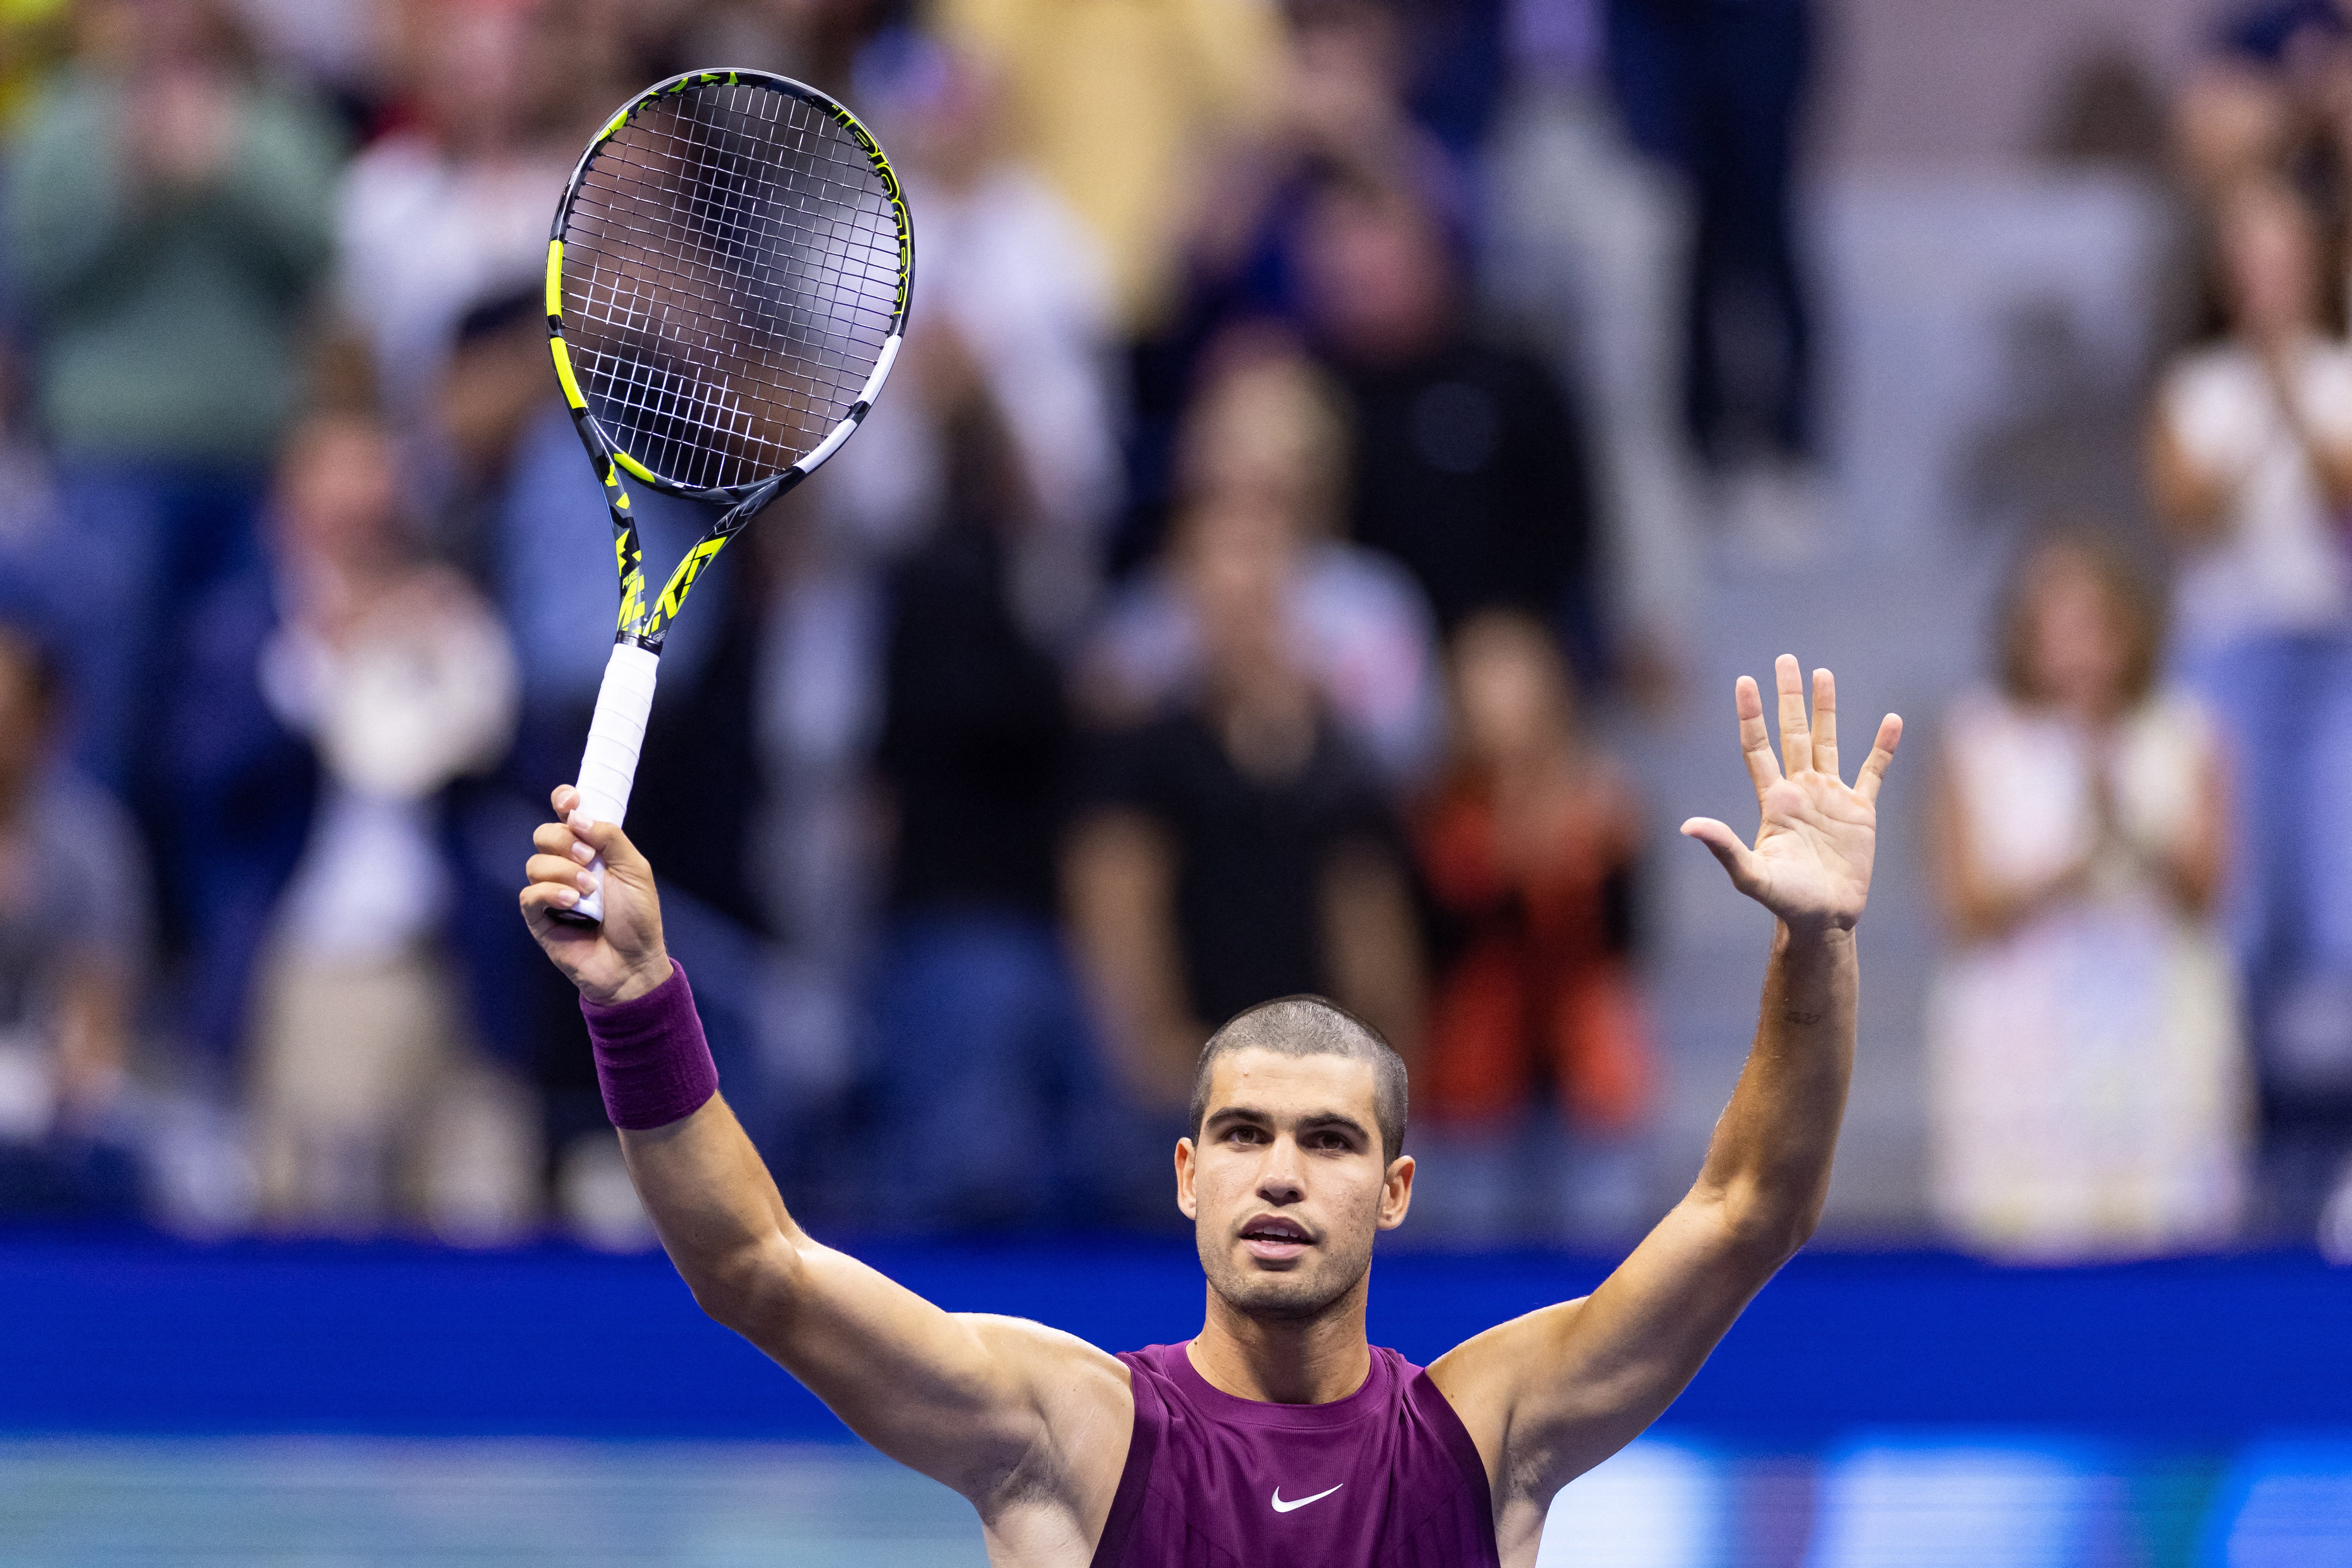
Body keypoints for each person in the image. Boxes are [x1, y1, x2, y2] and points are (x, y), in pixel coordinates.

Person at [518, 654, 1901, 1565]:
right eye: (1243, 1136)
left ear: (1397, 1190)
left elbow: (1746, 1213)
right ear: (1186, 1175)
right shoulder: (1071, 1430)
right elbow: (754, 1268)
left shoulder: (1487, 1432)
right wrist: (637, 995)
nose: (1281, 1175)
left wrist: (1816, 948)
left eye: (1329, 1140)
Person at [1927, 535, 2246, 1258]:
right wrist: (2066, 868)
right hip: (2026, 1021)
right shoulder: (1979, 737)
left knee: (2165, 1234)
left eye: (2093, 626)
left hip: (2152, 1010)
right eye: (2056, 628)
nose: (2077, 651)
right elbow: (1964, 907)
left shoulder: (2183, 730)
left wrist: (2130, 824)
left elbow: (2211, 890)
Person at [2146, 177, 2352, 1234]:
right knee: (2238, 907)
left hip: (2333, 656)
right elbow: (2188, 511)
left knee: (2336, 901)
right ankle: (2234, 1151)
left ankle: (2333, 1156)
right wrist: (2259, 390)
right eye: (2250, 259)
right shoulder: (2194, 388)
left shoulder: (2338, 377)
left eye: (2285, 255)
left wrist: (2290, 388)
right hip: (2225, 658)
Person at [1411, 610, 1653, 1242]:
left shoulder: (1605, 806)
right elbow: (1437, 940)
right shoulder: (1434, 813)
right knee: (1473, 1277)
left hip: (1590, 1074)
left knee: (1598, 1283)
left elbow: (1625, 940)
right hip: (1473, 1078)